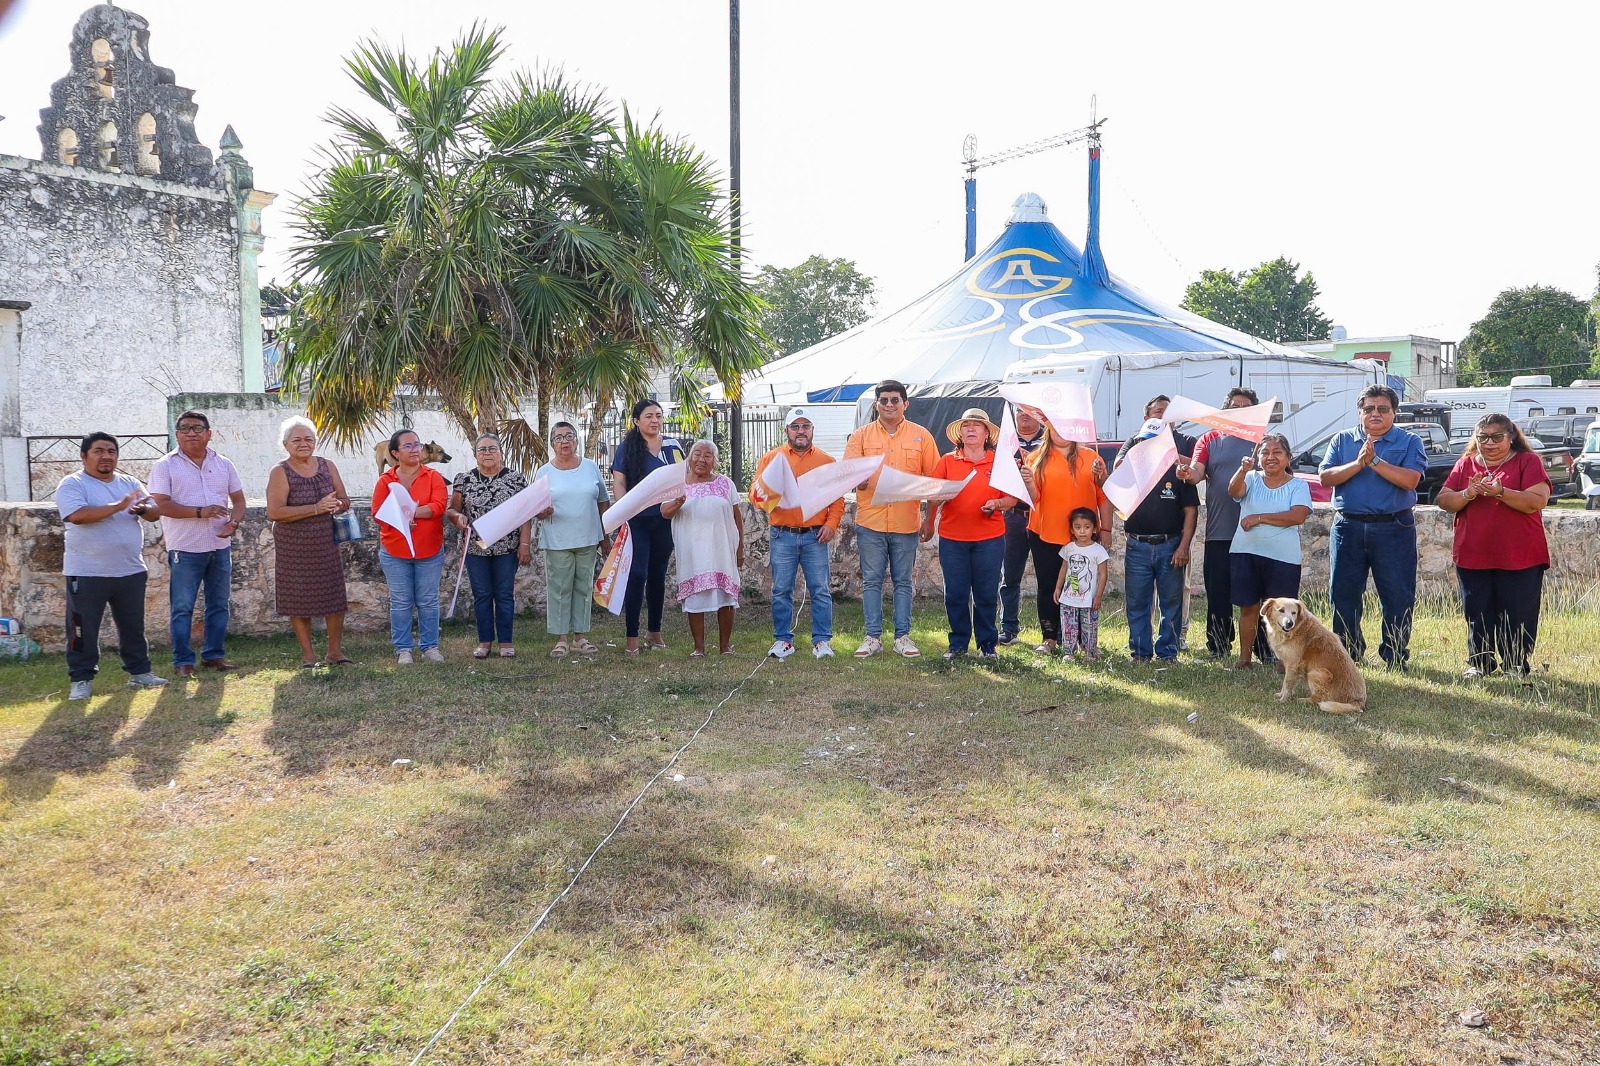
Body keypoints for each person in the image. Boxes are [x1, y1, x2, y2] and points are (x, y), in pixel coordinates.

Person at [1319, 385, 1427, 668]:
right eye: (1369, 409)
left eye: (1382, 409)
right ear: (1360, 412)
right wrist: (1358, 463)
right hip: (1348, 528)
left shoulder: (1409, 441)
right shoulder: (1342, 440)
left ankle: (1394, 656)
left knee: (1397, 595)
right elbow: (1326, 478)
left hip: (1394, 528)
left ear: (1394, 412)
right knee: (1343, 594)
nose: (1375, 414)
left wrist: (1375, 461)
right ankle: (1348, 656)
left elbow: (1411, 480)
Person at [1436, 414, 1552, 678]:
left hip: (1520, 554)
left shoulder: (1527, 461)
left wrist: (1501, 492)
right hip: (1473, 552)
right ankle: (1480, 662)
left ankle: (1514, 664)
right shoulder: (1465, 463)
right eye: (1483, 437)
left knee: (1519, 610)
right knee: (1477, 610)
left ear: (1511, 438)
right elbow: (1444, 500)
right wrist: (1469, 493)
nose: (1489, 443)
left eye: (1496, 437)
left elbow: (1537, 500)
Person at [57, 432, 167, 700]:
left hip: (129, 569)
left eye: (111, 451)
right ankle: (81, 679)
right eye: (99, 451)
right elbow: (78, 516)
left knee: (133, 626)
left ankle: (140, 673)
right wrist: (120, 505)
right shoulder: (72, 484)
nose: (106, 456)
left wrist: (140, 508)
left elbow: (154, 512)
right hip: (87, 571)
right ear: (84, 456)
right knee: (83, 628)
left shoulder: (129, 482)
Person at [147, 410, 246, 678]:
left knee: (218, 604)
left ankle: (213, 655)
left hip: (219, 546)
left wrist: (233, 524)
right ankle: (183, 661)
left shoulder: (224, 464)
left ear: (209, 434)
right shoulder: (165, 465)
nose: (192, 432)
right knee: (183, 607)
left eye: (198, 428)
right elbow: (161, 505)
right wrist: (199, 512)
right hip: (185, 548)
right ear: (177, 434)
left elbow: (238, 501)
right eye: (185, 428)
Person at [844, 379, 940, 658]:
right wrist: (859, 481)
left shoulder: (922, 436)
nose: (889, 404)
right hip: (870, 522)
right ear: (876, 404)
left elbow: (934, 481)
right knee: (872, 581)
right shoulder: (860, 437)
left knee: (903, 582)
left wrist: (930, 520)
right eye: (883, 400)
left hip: (906, 521)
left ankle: (903, 637)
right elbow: (850, 477)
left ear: (905, 404)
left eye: (894, 400)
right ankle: (872, 637)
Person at [1181, 387, 1270, 661]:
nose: (1239, 409)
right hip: (1219, 532)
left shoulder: (1263, 441)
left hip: (1256, 532)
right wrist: (1188, 473)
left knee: (1258, 595)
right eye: (1234, 405)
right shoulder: (1208, 438)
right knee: (1218, 594)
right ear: (1225, 410)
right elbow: (1197, 472)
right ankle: (1218, 646)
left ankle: (1264, 649)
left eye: (1246, 406)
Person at [921, 408, 1016, 659]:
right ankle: (958, 644)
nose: (971, 429)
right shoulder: (947, 461)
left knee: (986, 592)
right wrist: (928, 523)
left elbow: (1012, 498)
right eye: (966, 426)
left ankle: (987, 645)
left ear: (987, 433)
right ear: (960, 434)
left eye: (977, 425)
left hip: (990, 538)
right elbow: (933, 497)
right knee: (956, 593)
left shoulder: (999, 461)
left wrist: (996, 504)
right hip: (953, 538)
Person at [750, 408, 844, 660]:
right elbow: (754, 494)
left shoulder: (826, 461)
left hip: (816, 535)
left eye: (805, 426)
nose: (800, 431)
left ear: (812, 429)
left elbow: (837, 498)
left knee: (820, 590)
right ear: (786, 431)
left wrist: (832, 524)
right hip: (783, 534)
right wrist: (771, 501)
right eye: (795, 426)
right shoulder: (772, 458)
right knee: (781, 589)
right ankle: (783, 641)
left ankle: (822, 641)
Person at [264, 416, 353, 668]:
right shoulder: (280, 471)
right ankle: (308, 655)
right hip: (294, 544)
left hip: (325, 540)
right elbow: (275, 512)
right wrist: (315, 508)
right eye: (297, 439)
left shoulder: (327, 465)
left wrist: (337, 504)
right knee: (298, 597)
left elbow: (345, 499)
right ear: (285, 444)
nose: (303, 443)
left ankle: (334, 652)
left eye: (308, 439)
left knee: (334, 595)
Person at [1115, 395, 1197, 651]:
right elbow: (1118, 469)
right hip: (1137, 543)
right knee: (1137, 602)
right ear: (1146, 418)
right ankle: (1139, 651)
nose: (1162, 417)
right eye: (1158, 413)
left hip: (1170, 543)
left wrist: (1184, 545)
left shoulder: (1182, 452)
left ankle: (1168, 651)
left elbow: (1191, 509)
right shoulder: (1135, 442)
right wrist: (1143, 449)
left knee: (1171, 602)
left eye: (1167, 413)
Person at [1020, 424, 1110, 654]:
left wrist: (1106, 530)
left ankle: (1084, 640)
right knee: (1049, 585)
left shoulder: (1091, 457)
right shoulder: (1035, 458)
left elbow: (1104, 495)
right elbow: (1033, 497)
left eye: (1065, 426)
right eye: (1054, 426)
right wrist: (1028, 481)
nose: (1060, 431)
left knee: (1084, 585)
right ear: (1047, 429)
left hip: (1082, 537)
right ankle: (1049, 637)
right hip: (1045, 532)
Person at [1226, 433, 1313, 670]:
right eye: (1265, 452)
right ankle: (1244, 659)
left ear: (1288, 457)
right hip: (1246, 552)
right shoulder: (1252, 478)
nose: (1270, 457)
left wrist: (1259, 518)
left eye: (1277, 453)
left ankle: (1283, 661)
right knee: (1249, 607)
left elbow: (1298, 515)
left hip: (1283, 558)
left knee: (1284, 613)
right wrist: (1243, 470)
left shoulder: (1298, 485)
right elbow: (1234, 491)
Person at [447, 434, 531, 659]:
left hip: (506, 548)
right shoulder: (463, 479)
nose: (487, 453)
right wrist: (457, 518)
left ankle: (506, 642)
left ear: (501, 453)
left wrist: (524, 544)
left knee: (504, 594)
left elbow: (525, 514)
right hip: (475, 549)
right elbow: (452, 510)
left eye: (492, 448)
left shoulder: (516, 479)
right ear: (475, 455)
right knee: (482, 595)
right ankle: (484, 642)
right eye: (482, 449)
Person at [611, 399, 684, 655]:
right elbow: (619, 483)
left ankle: (654, 632)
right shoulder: (627, 448)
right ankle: (631, 636)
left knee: (657, 576)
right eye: (649, 416)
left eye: (658, 415)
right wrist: (624, 510)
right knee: (637, 574)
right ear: (636, 421)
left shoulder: (673, 446)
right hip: (637, 521)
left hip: (665, 519)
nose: (655, 420)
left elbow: (683, 476)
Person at [372, 428, 450, 664]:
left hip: (429, 549)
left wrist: (410, 512)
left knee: (428, 600)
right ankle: (404, 648)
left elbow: (438, 506)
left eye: (417, 444)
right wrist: (404, 516)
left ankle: (429, 647)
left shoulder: (433, 477)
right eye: (408, 446)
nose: (415, 449)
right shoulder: (385, 480)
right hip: (395, 550)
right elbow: (377, 513)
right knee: (401, 601)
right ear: (394, 453)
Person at [661, 439, 744, 656]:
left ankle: (725, 646)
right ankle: (699, 648)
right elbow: (665, 512)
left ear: (715, 461)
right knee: (695, 598)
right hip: (692, 551)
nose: (701, 459)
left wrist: (740, 549)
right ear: (689, 458)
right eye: (697, 454)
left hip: (722, 549)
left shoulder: (726, 483)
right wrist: (678, 502)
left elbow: (737, 517)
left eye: (708, 455)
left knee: (725, 596)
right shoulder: (677, 483)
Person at [534, 421, 610, 658]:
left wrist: (605, 535)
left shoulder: (590, 467)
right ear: (552, 444)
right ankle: (561, 639)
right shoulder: (544, 472)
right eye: (558, 438)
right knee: (559, 589)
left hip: (588, 537)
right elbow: (535, 506)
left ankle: (579, 637)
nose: (564, 441)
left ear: (577, 440)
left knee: (583, 588)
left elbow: (603, 501)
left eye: (569, 436)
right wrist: (542, 512)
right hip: (557, 539)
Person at [998, 406, 1045, 644]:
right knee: (1010, 575)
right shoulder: (1005, 441)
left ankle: (1051, 632)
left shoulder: (1050, 440)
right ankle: (1009, 628)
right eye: (1019, 411)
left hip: (1045, 515)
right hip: (1014, 515)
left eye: (1030, 411)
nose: (1024, 415)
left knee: (1049, 577)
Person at [1053, 507, 1110, 661]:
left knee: (1089, 627)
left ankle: (1090, 652)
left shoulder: (1098, 551)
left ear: (1094, 528)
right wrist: (1058, 588)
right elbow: (1064, 568)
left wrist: (1098, 596)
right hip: (1068, 597)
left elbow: (1103, 574)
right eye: (1078, 527)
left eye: (1087, 527)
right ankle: (1068, 652)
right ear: (1072, 529)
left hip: (1089, 599)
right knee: (1068, 626)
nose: (1082, 531)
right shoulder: (1069, 548)